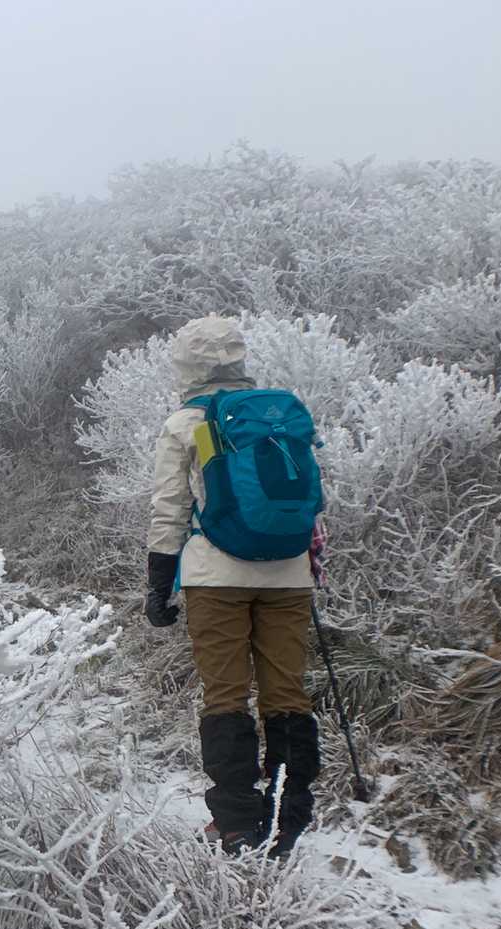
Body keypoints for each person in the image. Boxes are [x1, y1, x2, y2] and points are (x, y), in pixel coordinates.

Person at [143, 315, 322, 856]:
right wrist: (308, 565)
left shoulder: (189, 423)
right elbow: (313, 500)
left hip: (216, 577)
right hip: (288, 575)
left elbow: (170, 508)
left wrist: (158, 584)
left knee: (225, 696)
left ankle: (238, 825)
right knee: (287, 695)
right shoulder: (279, 416)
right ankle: (288, 819)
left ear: (185, 363)